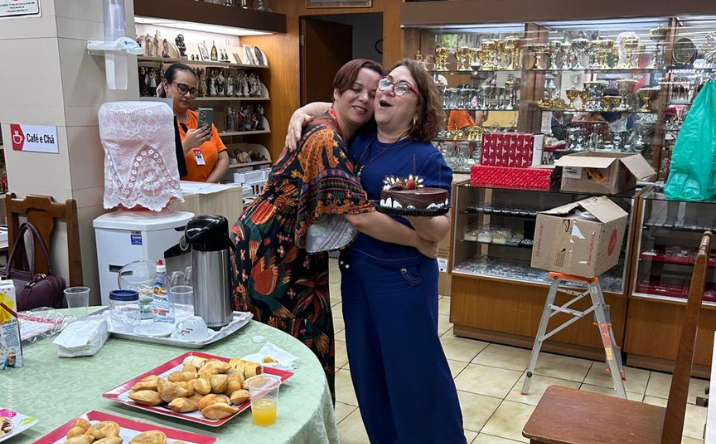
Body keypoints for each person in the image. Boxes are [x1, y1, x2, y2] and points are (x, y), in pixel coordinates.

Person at [230, 59, 439, 402]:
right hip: (272, 250)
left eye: (372, 92)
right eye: (355, 89)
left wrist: (302, 110)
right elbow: (361, 217)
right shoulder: (326, 138)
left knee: (292, 347)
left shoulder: (345, 130)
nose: (364, 98)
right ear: (337, 91)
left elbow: (325, 105)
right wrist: (420, 241)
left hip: (288, 245)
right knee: (286, 351)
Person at [287, 58, 466, 444]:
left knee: (415, 380)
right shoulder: (362, 137)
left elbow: (440, 232)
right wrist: (301, 112)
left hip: (403, 282)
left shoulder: (424, 157)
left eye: (402, 87)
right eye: (387, 82)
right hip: (357, 279)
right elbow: (331, 106)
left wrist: (414, 208)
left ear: (418, 106)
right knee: (369, 378)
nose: (387, 91)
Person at [160, 63, 229, 183]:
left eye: (192, 91)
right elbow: (156, 168)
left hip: (207, 191)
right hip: (177, 193)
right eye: (182, 88)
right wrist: (186, 145)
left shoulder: (200, 119)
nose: (188, 95)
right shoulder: (156, 123)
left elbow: (223, 158)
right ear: (166, 85)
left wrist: (206, 187)